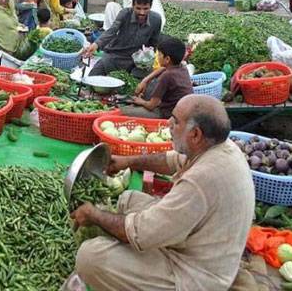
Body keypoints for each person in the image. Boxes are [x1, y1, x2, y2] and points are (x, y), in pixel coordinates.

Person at [71, 94, 255, 291]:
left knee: (90, 257)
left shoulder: (200, 180)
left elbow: (140, 233)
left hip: (194, 274)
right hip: (199, 242)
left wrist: (93, 214)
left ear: (195, 134)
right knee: (127, 200)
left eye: (175, 121)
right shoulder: (219, 147)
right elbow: (170, 160)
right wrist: (128, 161)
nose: (168, 123)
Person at [87, 0, 162, 76]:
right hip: (115, 54)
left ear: (151, 6)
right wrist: (96, 44)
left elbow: (153, 43)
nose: (142, 12)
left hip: (136, 60)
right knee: (93, 76)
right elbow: (112, 31)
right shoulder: (125, 14)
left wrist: (147, 58)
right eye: (138, 8)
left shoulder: (156, 19)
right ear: (133, 5)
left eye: (146, 9)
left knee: (141, 84)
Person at [123, 37, 193, 119]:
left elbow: (151, 106)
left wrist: (141, 102)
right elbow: (163, 68)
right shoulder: (182, 67)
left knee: (123, 112)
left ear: (167, 59)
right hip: (183, 111)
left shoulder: (167, 76)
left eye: (159, 54)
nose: (157, 56)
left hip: (168, 114)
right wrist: (145, 80)